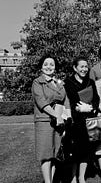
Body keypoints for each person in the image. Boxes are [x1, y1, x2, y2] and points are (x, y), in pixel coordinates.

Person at [32, 55, 69, 183]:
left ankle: (51, 181)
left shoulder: (59, 83)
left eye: (52, 64)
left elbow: (65, 101)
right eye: (46, 64)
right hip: (44, 122)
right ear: (41, 67)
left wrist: (65, 117)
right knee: (46, 155)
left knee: (55, 155)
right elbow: (41, 102)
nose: (49, 67)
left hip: (59, 123)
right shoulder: (37, 82)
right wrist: (56, 115)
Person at [64, 56, 100, 183]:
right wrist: (77, 109)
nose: (84, 69)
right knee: (75, 151)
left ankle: (82, 177)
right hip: (75, 122)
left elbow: (96, 99)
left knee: (86, 150)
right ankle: (73, 177)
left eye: (86, 67)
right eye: (82, 67)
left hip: (88, 120)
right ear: (75, 68)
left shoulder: (91, 82)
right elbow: (67, 101)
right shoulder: (67, 83)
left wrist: (91, 107)